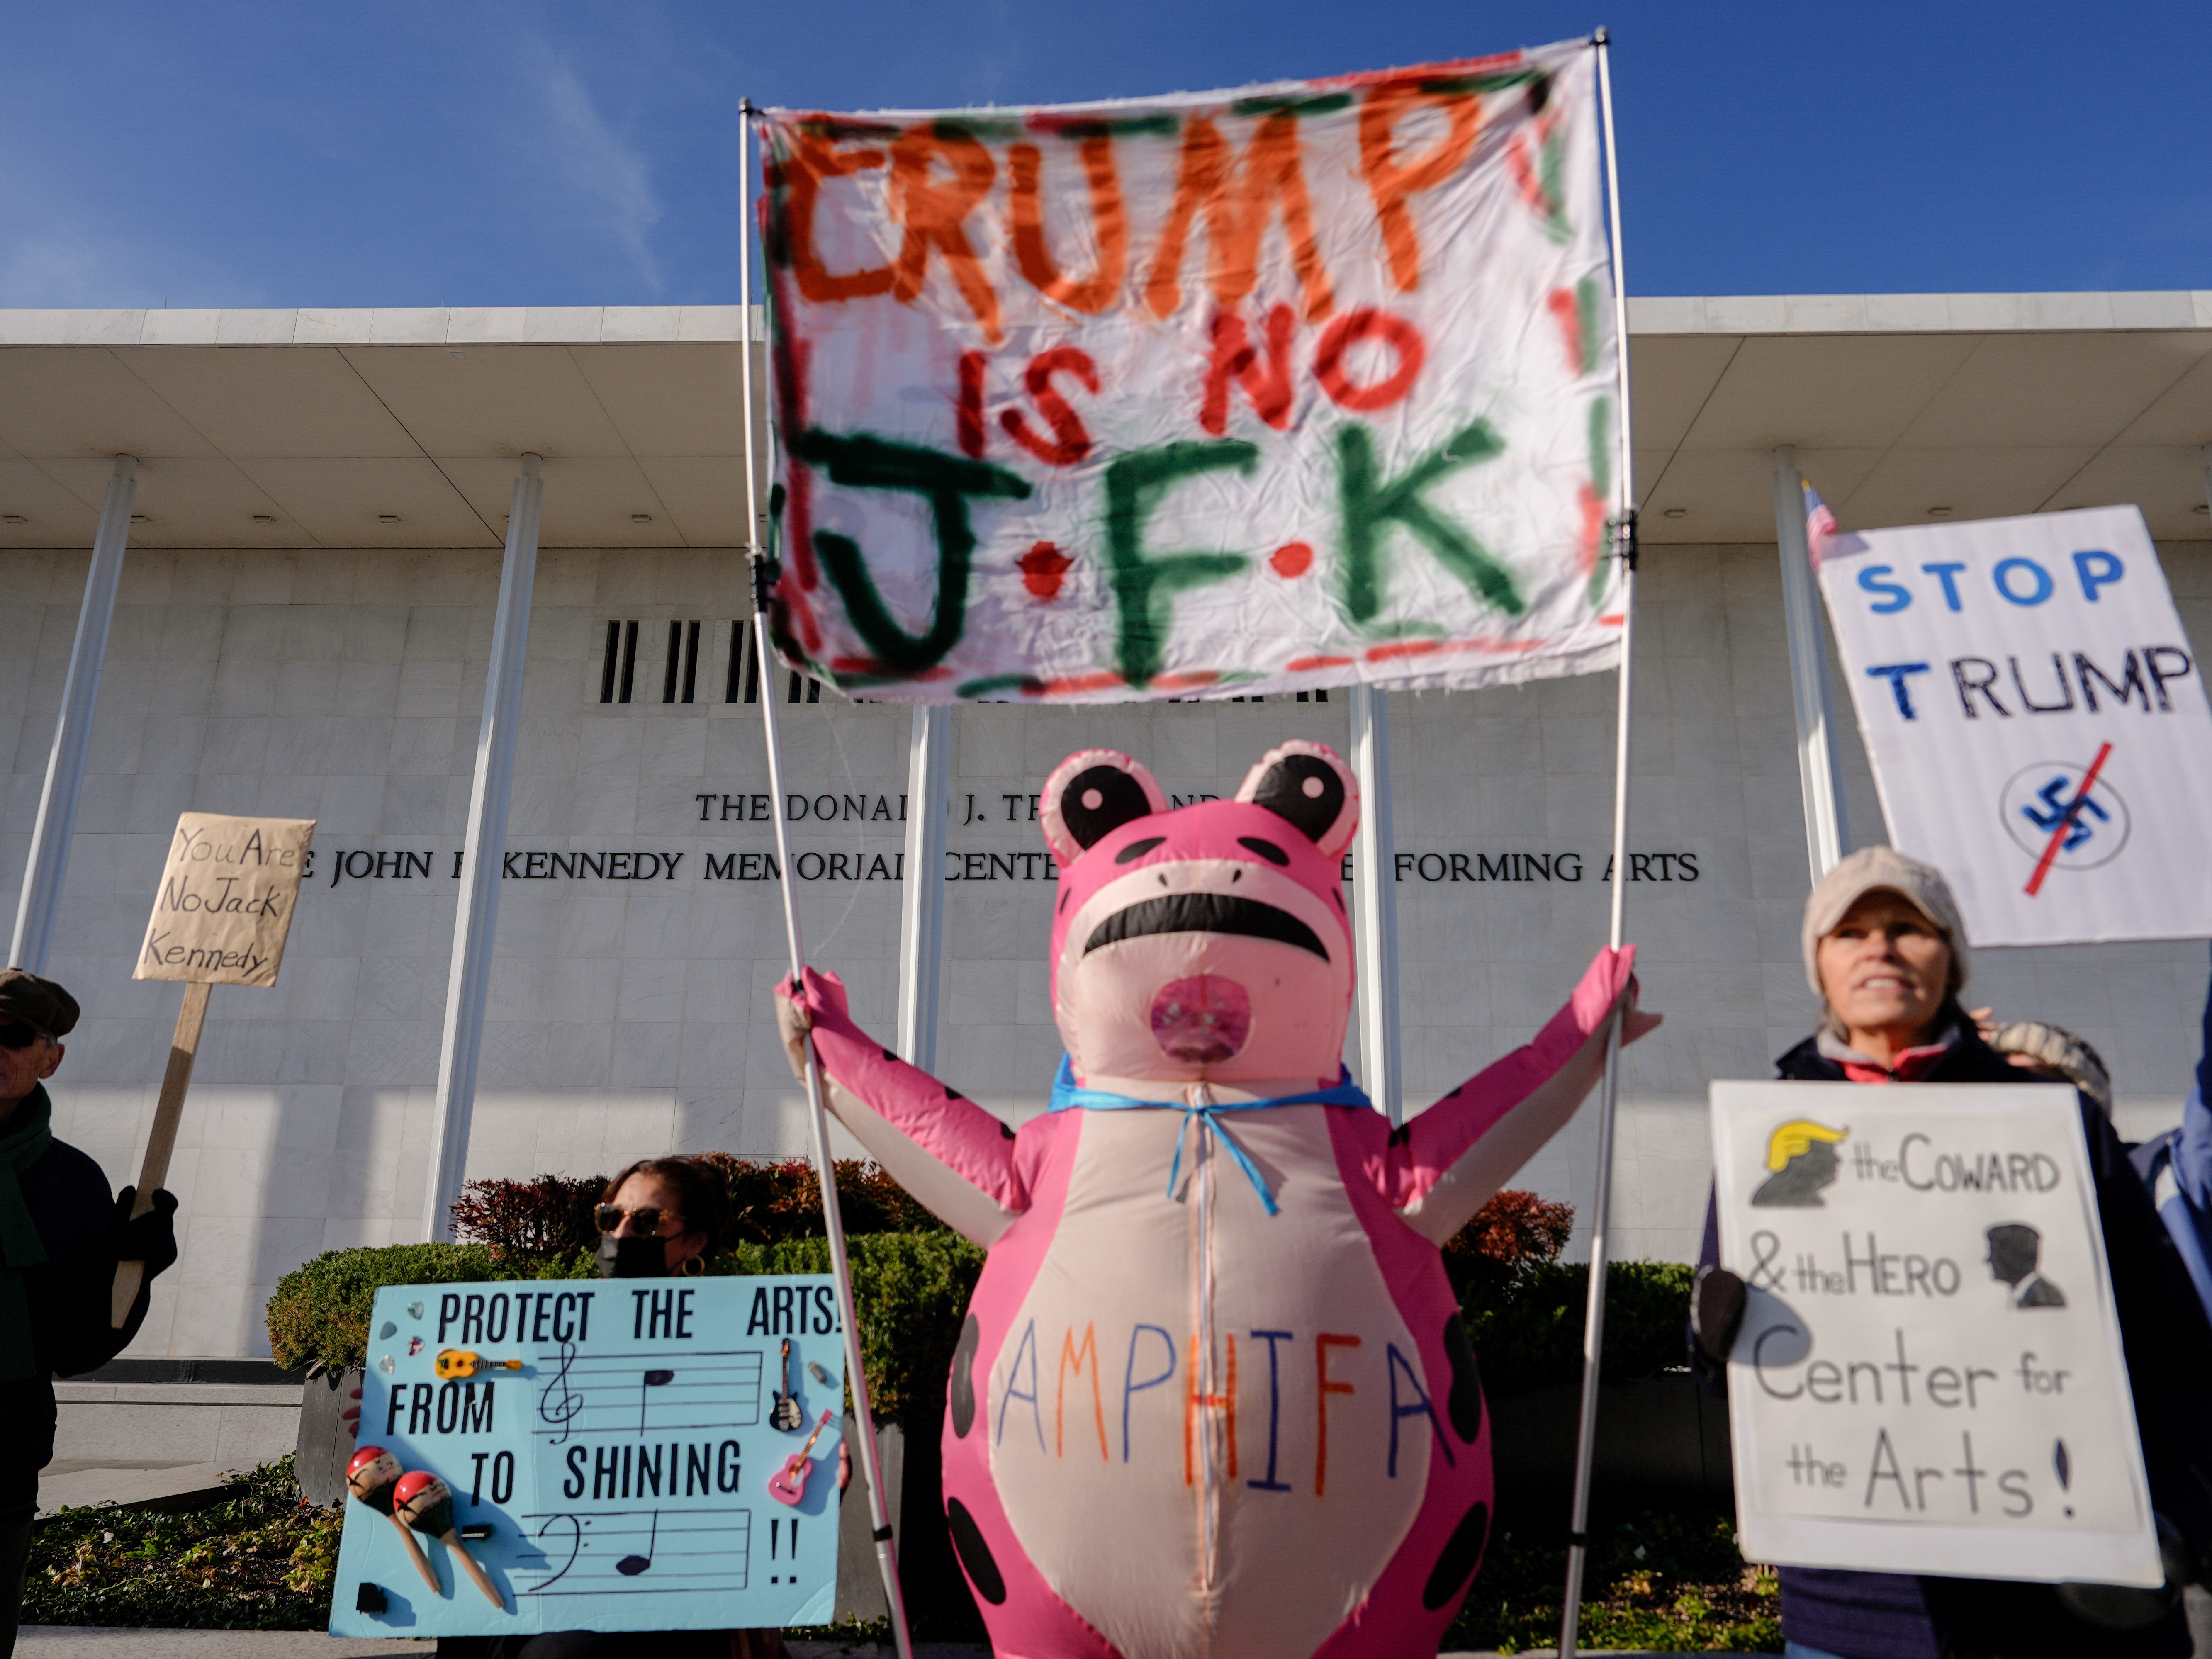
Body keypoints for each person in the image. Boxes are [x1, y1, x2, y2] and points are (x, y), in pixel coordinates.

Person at [1687, 848, 2212, 1659]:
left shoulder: (2050, 1121)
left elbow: (2163, 1329)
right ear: (1818, 966)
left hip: (2063, 1591)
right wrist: (1712, 1333)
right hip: (1855, 1602)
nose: (1878, 948)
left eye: (1907, 927)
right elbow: (1731, 1376)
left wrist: (2176, 1509)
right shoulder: (1767, 1139)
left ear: (1950, 959)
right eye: (1848, 930)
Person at [436, 1157, 810, 1659]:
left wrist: (816, 1466)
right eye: (611, 1216)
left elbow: (766, 1467)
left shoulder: (740, 1349)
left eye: (649, 1220)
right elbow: (486, 1442)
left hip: (676, 1599)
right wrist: (399, 1428)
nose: (623, 1230)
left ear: (695, 1243)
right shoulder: (546, 1335)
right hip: (541, 1579)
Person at [1, 968, 178, 1659]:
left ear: (51, 1058)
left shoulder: (72, 1182)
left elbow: (76, 1347)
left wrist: (131, 1269)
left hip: (3, 1459)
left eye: (12, 1036)